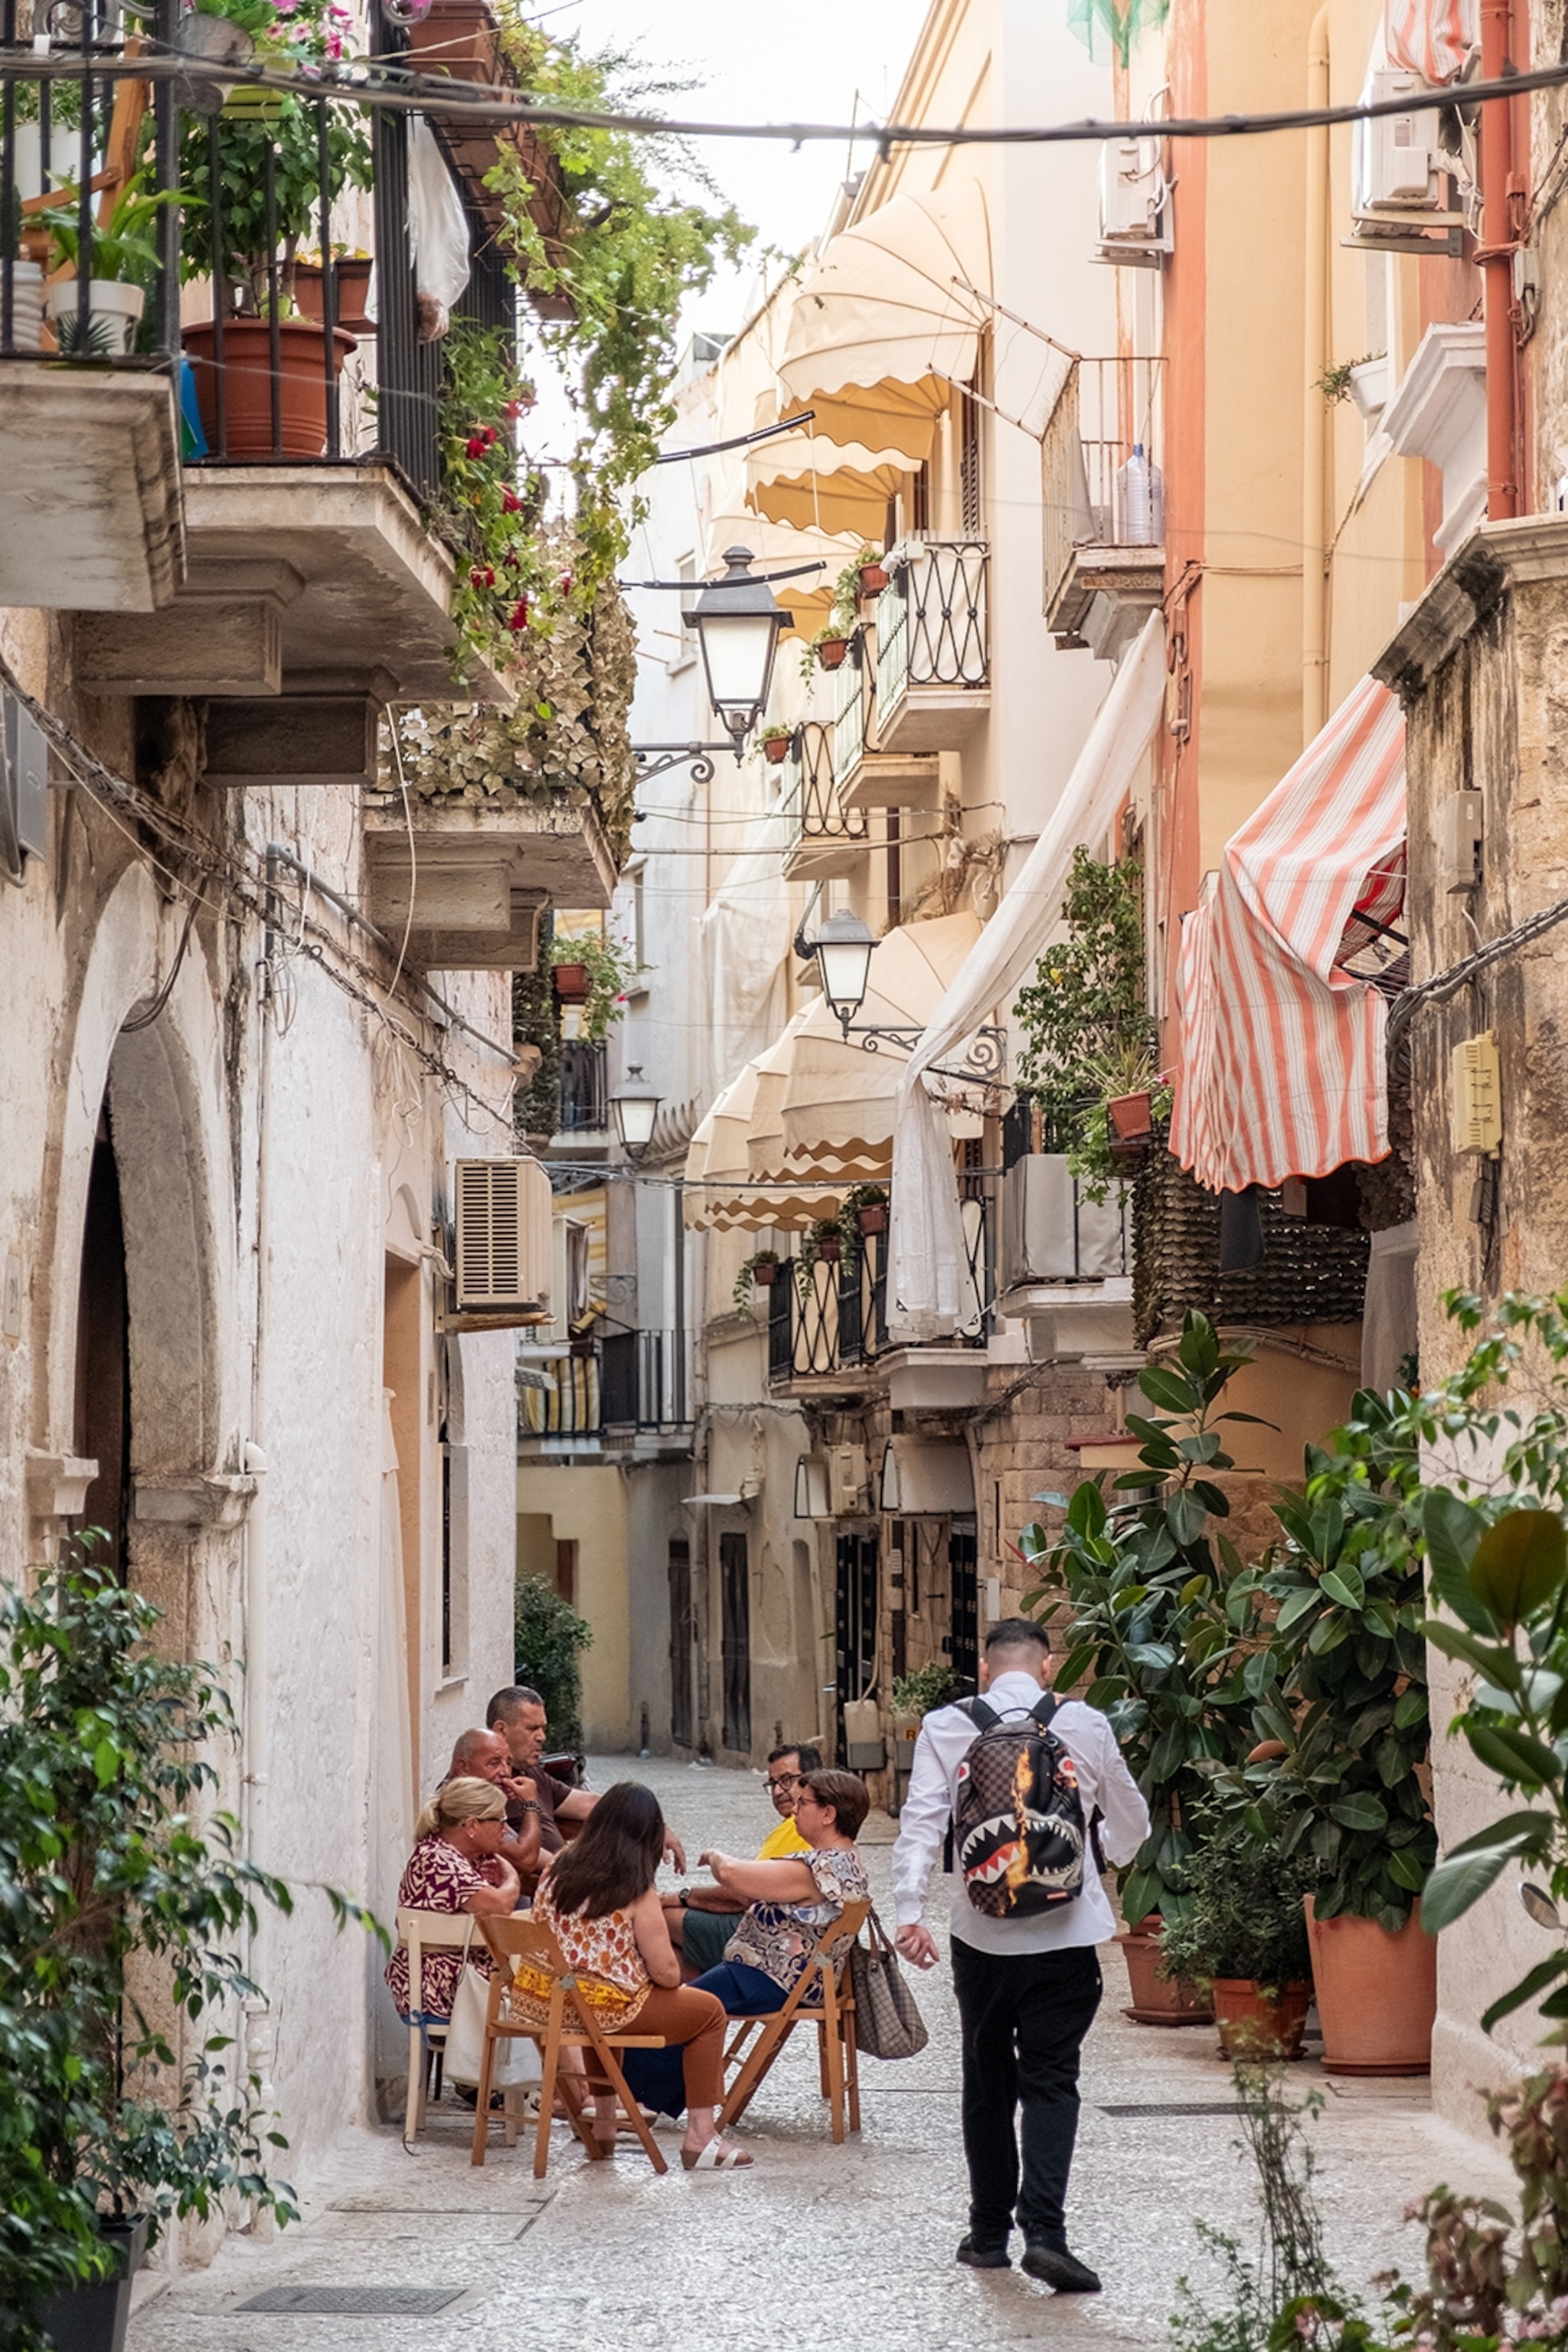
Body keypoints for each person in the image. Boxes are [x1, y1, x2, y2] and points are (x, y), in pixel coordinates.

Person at [892, 1618, 1151, 2293]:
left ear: (983, 1670)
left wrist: (910, 1912)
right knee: (1051, 2079)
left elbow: (922, 1823)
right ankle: (1046, 2232)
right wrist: (1104, 1863)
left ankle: (985, 2237)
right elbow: (1132, 1820)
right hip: (1066, 1935)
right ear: (1048, 1668)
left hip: (981, 1938)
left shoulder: (947, 1726)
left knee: (986, 2083)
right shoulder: (1087, 1723)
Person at [518, 1782, 749, 2171]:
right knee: (709, 2010)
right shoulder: (633, 1885)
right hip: (601, 2007)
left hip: (551, 2002)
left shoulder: (557, 1868)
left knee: (600, 2019)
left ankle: (605, 2129)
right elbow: (667, 1973)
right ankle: (701, 2136)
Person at [622, 1769, 870, 2121]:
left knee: (678, 2011)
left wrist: (716, 1856)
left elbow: (734, 1878)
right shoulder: (851, 1862)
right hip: (793, 1979)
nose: (795, 1810)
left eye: (804, 1803)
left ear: (829, 1814)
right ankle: (653, 2096)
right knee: (688, 1996)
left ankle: (631, 2095)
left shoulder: (815, 1868)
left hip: (766, 1977)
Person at [487, 1684, 688, 1873]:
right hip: (553, 1889)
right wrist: (580, 1876)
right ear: (501, 1730)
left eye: (542, 1728)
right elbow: (522, 1859)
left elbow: (590, 1803)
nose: (542, 1737)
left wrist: (656, 1826)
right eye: (532, 1729)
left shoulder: (531, 1773)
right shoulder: (486, 1787)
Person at [664, 1741, 822, 1975]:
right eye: (772, 1783)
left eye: (787, 1780)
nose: (778, 1792)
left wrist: (682, 1896)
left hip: (775, 1946)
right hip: (806, 1949)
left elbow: (746, 1894)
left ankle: (697, 2002)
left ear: (812, 1779)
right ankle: (700, 1997)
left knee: (658, 1917)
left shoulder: (797, 1827)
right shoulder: (824, 1827)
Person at [384, 1777, 520, 2024]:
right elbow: (502, 1904)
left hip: (460, 1985)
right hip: (441, 1992)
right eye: (500, 1820)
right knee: (549, 1998)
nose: (506, 1829)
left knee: (549, 1992)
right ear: (471, 1826)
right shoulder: (438, 1861)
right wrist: (511, 1874)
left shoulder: (463, 1858)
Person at [445, 1726, 541, 1883]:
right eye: (494, 1763)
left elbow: (536, 1856)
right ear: (463, 1768)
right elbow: (526, 1859)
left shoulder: (482, 1800)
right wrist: (531, 1804)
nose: (506, 1773)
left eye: (508, 1763)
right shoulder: (463, 1806)